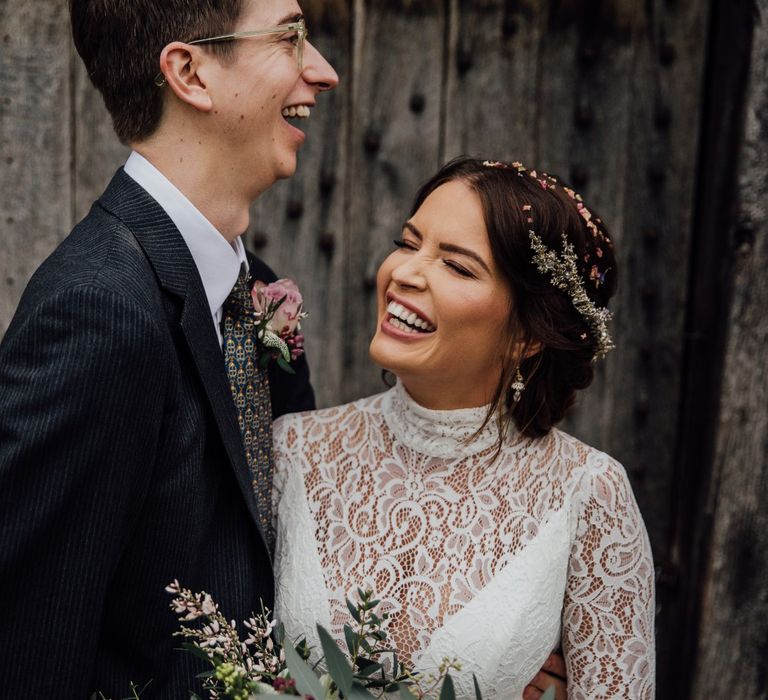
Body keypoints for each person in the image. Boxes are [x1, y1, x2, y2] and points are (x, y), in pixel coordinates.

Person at [0, 0, 337, 696]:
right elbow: (28, 646)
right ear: (190, 72)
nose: (323, 71)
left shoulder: (259, 295)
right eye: (290, 36)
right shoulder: (97, 312)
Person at [272, 157, 655, 699]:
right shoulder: (293, 449)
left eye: (457, 266)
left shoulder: (587, 493)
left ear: (527, 333)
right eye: (409, 243)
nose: (404, 272)